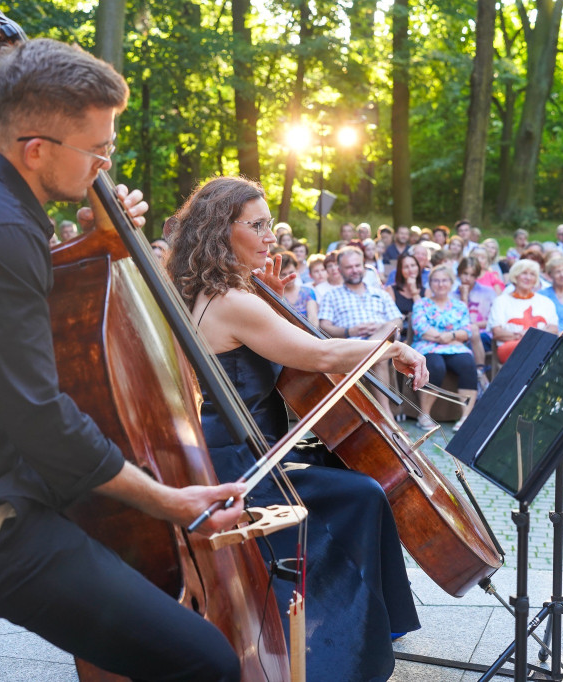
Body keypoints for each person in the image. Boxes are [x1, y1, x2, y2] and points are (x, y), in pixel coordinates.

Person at [0, 38, 250, 682]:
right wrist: (169, 502)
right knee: (203, 661)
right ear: (36, 149)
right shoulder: (0, 228)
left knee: (139, 619)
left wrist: (95, 246)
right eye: (98, 150)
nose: (106, 165)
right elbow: (40, 418)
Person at [165, 175, 426, 681]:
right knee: (363, 494)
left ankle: (369, 629)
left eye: (271, 225)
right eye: (258, 226)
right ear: (222, 230)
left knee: (348, 482)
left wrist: (275, 298)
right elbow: (321, 353)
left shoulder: (203, 289)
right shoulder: (233, 301)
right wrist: (389, 347)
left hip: (231, 451)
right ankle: (344, 647)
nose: (271, 238)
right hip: (245, 468)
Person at [410, 266, 477, 430]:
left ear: (451, 283)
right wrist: (446, 337)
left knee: (468, 363)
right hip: (428, 346)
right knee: (435, 365)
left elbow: (467, 330)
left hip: (454, 346)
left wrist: (452, 336)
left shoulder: (459, 305)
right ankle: (424, 415)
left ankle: (465, 417)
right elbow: (421, 328)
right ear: (430, 284)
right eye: (436, 280)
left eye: (444, 280)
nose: (440, 284)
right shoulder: (421, 304)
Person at [319, 246, 403, 341]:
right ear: (339, 270)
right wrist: (348, 331)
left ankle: (370, 352)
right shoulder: (330, 296)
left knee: (390, 327)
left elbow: (398, 321)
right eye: (349, 267)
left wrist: (380, 327)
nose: (355, 270)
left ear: (363, 266)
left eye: (357, 266)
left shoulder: (381, 294)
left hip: (383, 345)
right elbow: (324, 326)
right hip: (351, 346)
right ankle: (370, 352)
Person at [488, 259, 559, 364]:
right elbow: (497, 333)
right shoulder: (501, 301)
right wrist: (521, 336)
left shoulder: (546, 302)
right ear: (515, 276)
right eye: (524, 273)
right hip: (510, 347)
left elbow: (553, 330)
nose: (528, 278)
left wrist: (531, 336)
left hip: (540, 346)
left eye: (532, 274)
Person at [454, 256, 495, 370]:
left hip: (484, 334)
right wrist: (464, 297)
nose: (468, 278)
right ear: (459, 273)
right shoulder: (451, 294)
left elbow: (493, 321)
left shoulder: (488, 292)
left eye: (472, 275)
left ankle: (478, 372)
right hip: (459, 334)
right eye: (465, 273)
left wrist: (475, 326)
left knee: (474, 335)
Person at [278, 251, 318, 323]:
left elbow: (313, 318)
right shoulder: (275, 295)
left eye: (291, 272)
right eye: (283, 274)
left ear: (296, 270)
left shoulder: (308, 292)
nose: (289, 277)